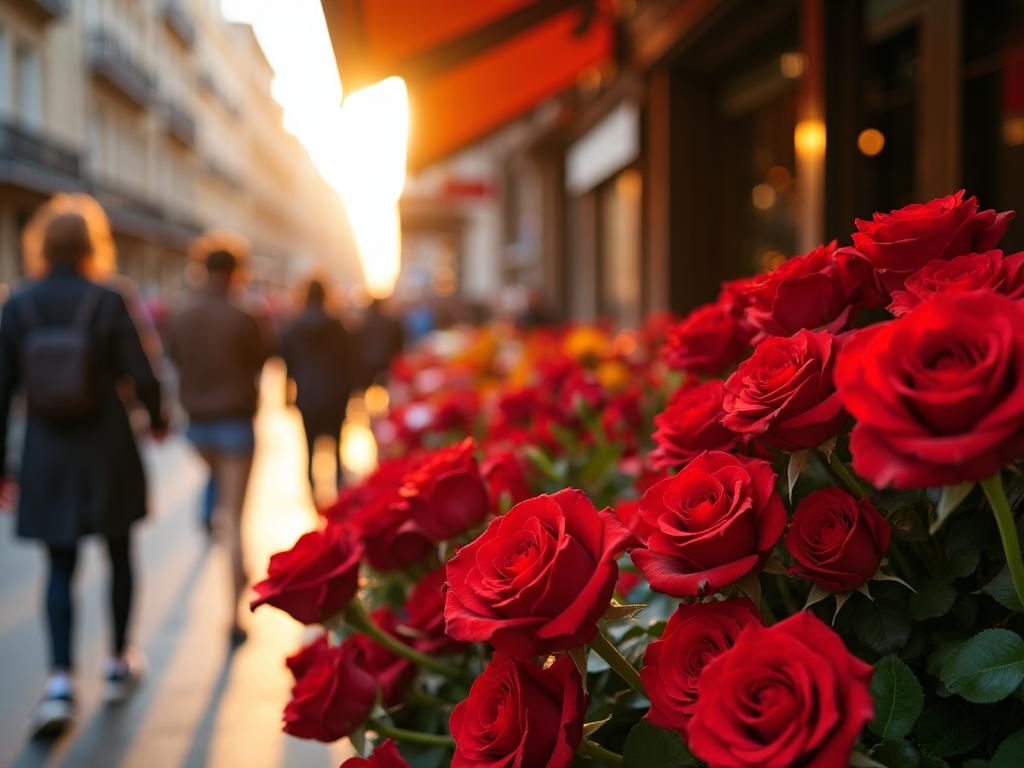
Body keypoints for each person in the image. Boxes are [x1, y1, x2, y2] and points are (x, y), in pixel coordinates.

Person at [0, 208, 167, 739]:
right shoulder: (109, 297)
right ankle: (118, 661)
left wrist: (2, 464)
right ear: (92, 245)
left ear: (40, 246)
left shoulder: (18, 304)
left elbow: (1, 390)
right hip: (106, 444)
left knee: (59, 564)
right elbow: (143, 371)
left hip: (47, 449)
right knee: (118, 552)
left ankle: (58, 681)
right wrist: (158, 419)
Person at [169, 232, 269, 645]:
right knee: (234, 519)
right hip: (235, 423)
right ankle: (233, 618)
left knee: (219, 495)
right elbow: (260, 361)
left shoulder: (182, 315)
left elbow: (174, 360)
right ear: (236, 273)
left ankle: (210, 504)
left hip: (197, 425)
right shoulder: (244, 316)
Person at [281, 278, 353, 496]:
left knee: (309, 447)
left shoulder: (294, 327)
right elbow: (348, 361)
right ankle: (338, 491)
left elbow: (288, 364)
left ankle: (312, 491)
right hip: (334, 393)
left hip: (307, 394)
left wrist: (286, 393)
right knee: (337, 445)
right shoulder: (337, 326)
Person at [357, 296, 405, 388]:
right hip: (385, 361)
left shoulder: (364, 323)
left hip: (367, 361)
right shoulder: (389, 322)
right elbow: (397, 342)